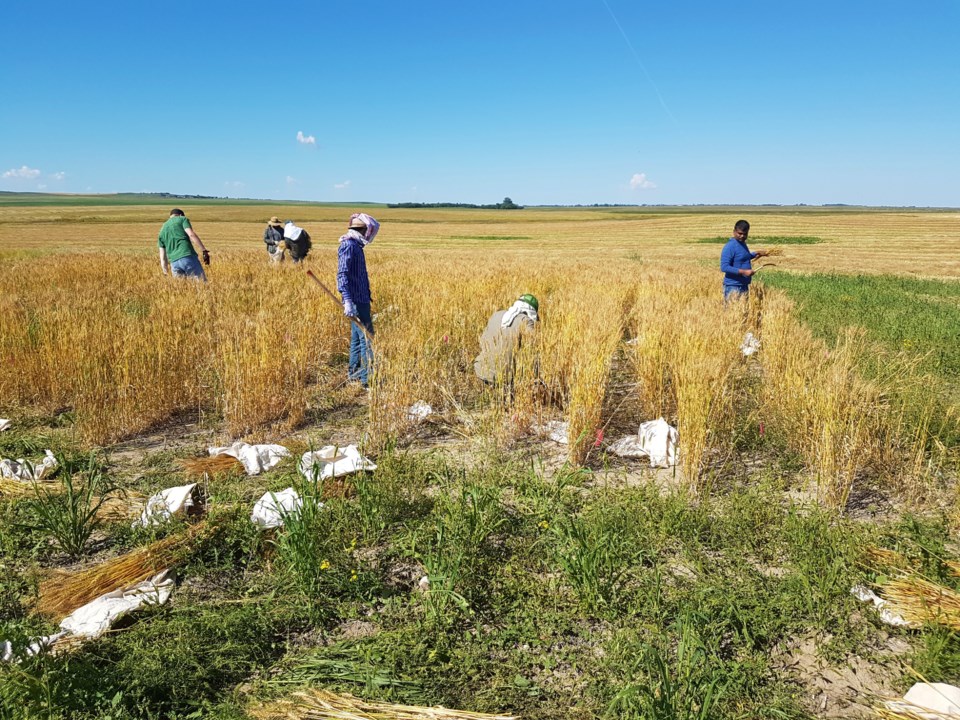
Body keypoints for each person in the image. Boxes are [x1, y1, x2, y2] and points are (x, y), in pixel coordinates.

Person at [337, 212, 380, 387]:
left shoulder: (356, 245)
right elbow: (342, 274)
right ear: (364, 230)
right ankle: (366, 379)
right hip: (355, 300)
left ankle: (354, 373)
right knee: (367, 338)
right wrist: (347, 300)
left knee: (356, 337)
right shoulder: (349, 246)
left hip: (360, 298)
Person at [474, 294, 539, 385]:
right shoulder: (526, 321)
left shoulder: (496, 315)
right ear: (531, 312)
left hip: (481, 371)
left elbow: (482, 342)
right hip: (506, 378)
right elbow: (533, 351)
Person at [719, 219, 769, 301]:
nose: (742, 236)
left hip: (743, 285)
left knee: (742, 312)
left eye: (745, 234)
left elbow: (742, 257)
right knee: (732, 312)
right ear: (734, 231)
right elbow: (724, 267)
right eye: (740, 233)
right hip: (733, 286)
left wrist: (756, 253)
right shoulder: (730, 246)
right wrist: (744, 272)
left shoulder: (742, 243)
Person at [158, 208, 209, 281]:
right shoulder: (182, 219)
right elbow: (191, 234)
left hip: (174, 263)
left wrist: (165, 271)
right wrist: (204, 250)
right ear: (181, 215)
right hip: (187, 256)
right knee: (201, 284)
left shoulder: (162, 230)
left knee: (183, 288)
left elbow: (162, 256)